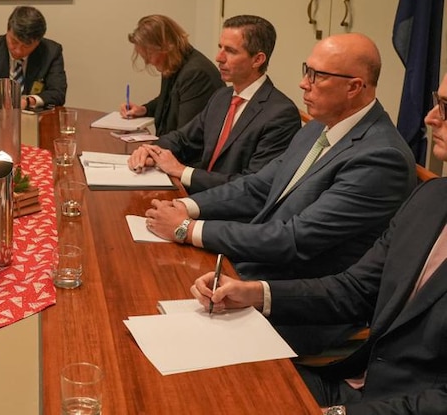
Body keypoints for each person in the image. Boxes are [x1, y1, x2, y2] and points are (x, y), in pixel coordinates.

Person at [190, 75, 447, 415]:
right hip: (351, 383)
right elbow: (354, 290)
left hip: (393, 402)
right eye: (435, 100)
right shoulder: (432, 196)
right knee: (206, 382)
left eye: (445, 106)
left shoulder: (384, 156)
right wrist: (254, 293)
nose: (430, 117)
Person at [145, 33, 416, 353]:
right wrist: (185, 205)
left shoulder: (381, 157)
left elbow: (296, 238)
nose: (303, 83)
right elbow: (258, 186)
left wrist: (187, 229)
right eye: (307, 70)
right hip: (248, 271)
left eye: (317, 76)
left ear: (354, 87)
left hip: (297, 305)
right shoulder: (319, 126)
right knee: (145, 291)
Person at [128, 15, 300, 192]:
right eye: (220, 48)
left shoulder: (281, 114)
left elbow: (252, 186)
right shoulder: (223, 97)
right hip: (199, 194)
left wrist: (182, 171)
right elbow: (182, 138)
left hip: (227, 210)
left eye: (231, 51)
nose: (219, 57)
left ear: (257, 60)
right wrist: (150, 150)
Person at [121, 14, 224, 136]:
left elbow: (186, 137)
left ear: (165, 47)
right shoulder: (174, 62)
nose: (148, 62)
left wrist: (149, 149)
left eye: (149, 55)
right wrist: (144, 110)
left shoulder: (196, 74)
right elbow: (170, 100)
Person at [0, 6, 67, 109]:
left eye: (26, 46)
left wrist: (29, 101)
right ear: (7, 30)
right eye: (14, 42)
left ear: (38, 42)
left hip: (34, 121)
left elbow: (58, 94)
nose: (18, 50)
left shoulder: (51, 52)